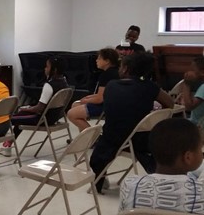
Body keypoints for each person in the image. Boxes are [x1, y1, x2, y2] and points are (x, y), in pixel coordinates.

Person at [90, 52, 174, 193]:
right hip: (141, 141)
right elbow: (170, 104)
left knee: (98, 154)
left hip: (113, 138)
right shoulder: (150, 87)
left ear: (126, 69)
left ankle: (100, 180)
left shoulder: (112, 85)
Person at [11, 56, 69, 139]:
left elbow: (39, 109)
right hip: (56, 116)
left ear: (54, 70)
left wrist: (25, 109)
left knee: (9, 119)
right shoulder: (64, 82)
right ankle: (10, 142)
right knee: (22, 114)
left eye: (47, 66)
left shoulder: (49, 85)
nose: (45, 69)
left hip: (43, 119)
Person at [67, 48, 120, 132]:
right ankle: (84, 138)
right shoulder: (117, 72)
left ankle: (93, 137)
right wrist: (88, 98)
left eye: (99, 58)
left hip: (107, 107)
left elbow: (99, 99)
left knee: (71, 114)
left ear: (107, 61)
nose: (96, 60)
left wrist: (86, 101)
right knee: (75, 104)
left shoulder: (106, 75)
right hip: (115, 104)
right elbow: (103, 94)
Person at [180, 56, 204, 131]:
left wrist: (187, 84)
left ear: (202, 72)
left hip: (199, 124)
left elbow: (189, 106)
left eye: (193, 69)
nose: (189, 72)